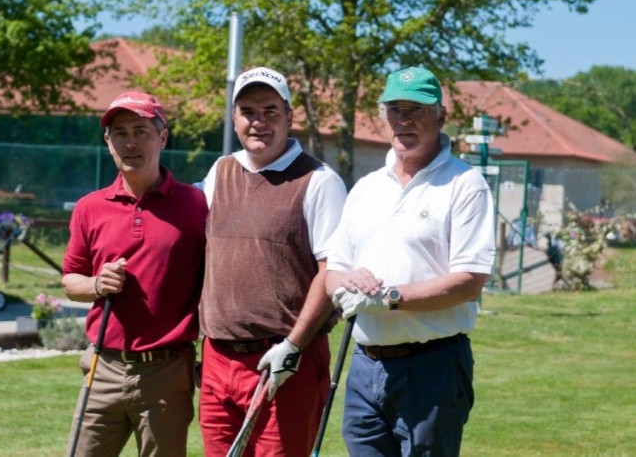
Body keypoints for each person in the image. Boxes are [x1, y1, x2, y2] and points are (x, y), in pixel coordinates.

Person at [325, 67, 496, 456]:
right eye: (394, 108)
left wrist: (388, 298)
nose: (404, 119)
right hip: (364, 366)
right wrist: (347, 286)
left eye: (417, 109)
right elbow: (333, 272)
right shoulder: (366, 188)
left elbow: (469, 281)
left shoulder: (465, 185)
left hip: (432, 368)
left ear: (441, 116)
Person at [196, 67, 348, 456]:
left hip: (285, 361)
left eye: (270, 110)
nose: (258, 122)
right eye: (247, 111)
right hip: (217, 359)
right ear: (234, 118)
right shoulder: (221, 171)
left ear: (289, 116)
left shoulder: (319, 180)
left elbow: (331, 270)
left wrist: (294, 346)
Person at [61, 91, 208, 456]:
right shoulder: (89, 208)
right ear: (108, 142)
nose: (130, 142)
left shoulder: (196, 204)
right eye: (120, 132)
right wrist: (96, 284)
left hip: (167, 371)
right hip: (102, 367)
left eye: (140, 131)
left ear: (162, 137)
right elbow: (71, 281)